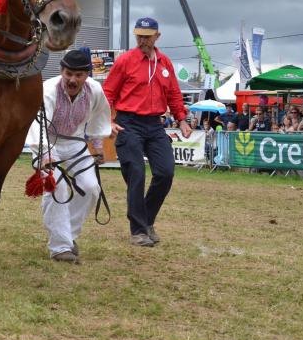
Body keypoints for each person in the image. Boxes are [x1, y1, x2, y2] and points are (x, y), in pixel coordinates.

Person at [103, 17, 192, 247]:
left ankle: (147, 219)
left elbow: (173, 93)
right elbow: (107, 93)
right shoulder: (125, 61)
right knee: (137, 174)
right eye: (139, 36)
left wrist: (182, 119)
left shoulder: (165, 63)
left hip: (154, 124)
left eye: (147, 36)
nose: (142, 40)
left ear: (157, 36)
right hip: (128, 123)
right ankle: (139, 231)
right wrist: (108, 120)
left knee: (165, 172)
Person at [27, 50, 111, 263]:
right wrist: (45, 154)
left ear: (87, 75)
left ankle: (67, 236)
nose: (72, 80)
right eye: (68, 74)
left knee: (91, 188)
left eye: (78, 75)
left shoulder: (95, 90)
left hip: (75, 143)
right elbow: (39, 124)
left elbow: (99, 117)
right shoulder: (47, 90)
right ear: (61, 71)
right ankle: (60, 248)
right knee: (58, 188)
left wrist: (98, 145)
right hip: (47, 142)